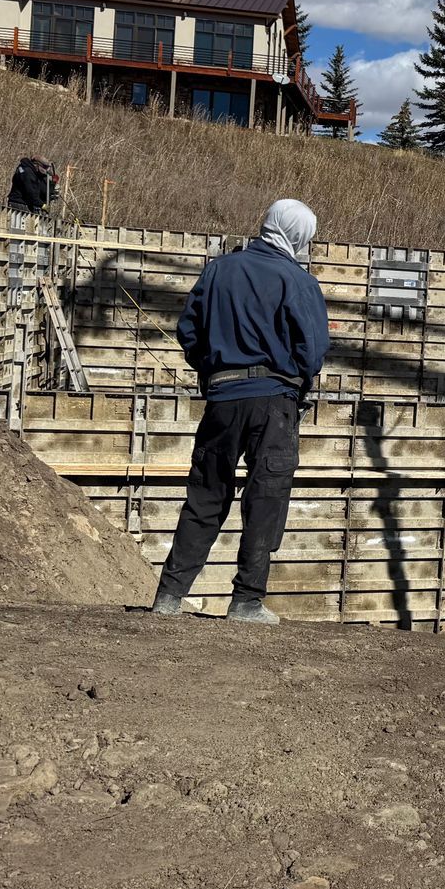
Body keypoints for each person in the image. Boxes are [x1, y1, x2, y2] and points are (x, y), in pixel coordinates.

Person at [149, 200, 329, 625]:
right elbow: (314, 348)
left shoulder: (218, 270)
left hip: (222, 400)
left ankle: (169, 596)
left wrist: (213, 368)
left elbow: (188, 330)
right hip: (274, 403)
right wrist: (297, 381)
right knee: (265, 498)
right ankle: (246, 601)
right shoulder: (297, 280)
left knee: (206, 494)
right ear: (298, 234)